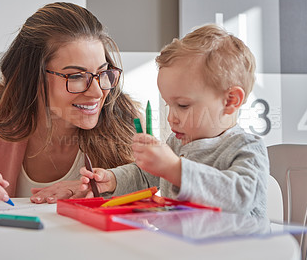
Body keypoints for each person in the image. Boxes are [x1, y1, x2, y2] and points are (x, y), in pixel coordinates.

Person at [0, 2, 140, 212]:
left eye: (103, 73)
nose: (96, 93)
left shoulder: (127, 121)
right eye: (75, 76)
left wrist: (109, 188)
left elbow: (153, 195)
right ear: (31, 78)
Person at [80, 24, 269, 216]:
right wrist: (113, 179)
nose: (171, 118)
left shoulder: (246, 147)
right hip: (183, 244)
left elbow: (240, 196)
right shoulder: (177, 143)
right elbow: (145, 175)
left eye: (183, 106)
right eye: (168, 105)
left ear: (230, 101)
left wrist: (175, 169)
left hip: (237, 245)